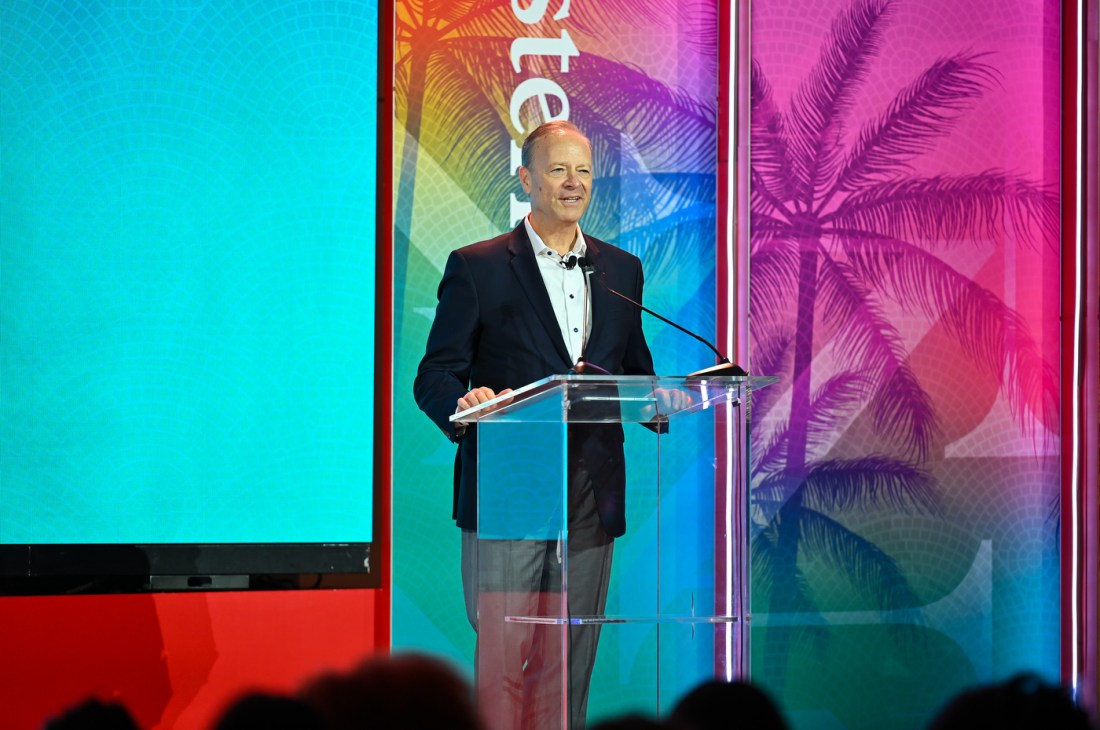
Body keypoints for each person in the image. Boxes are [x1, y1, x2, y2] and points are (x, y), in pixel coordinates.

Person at [414, 120, 657, 730]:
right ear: (526, 179)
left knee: (568, 666)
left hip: (590, 495)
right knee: (505, 660)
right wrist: (467, 400)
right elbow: (434, 376)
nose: (574, 183)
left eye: (583, 171)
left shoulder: (622, 271)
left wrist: (665, 399)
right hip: (510, 489)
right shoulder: (478, 267)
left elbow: (636, 371)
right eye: (558, 169)